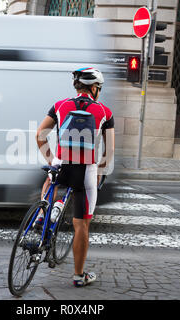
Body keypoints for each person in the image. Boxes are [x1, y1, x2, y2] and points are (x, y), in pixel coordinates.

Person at [35, 67, 115, 287]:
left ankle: (44, 213)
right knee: (82, 225)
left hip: (62, 165)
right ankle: (79, 276)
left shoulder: (60, 106)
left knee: (50, 179)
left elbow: (40, 135)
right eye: (99, 87)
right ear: (94, 88)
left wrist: (51, 159)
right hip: (85, 172)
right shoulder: (105, 113)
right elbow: (108, 156)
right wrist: (100, 173)